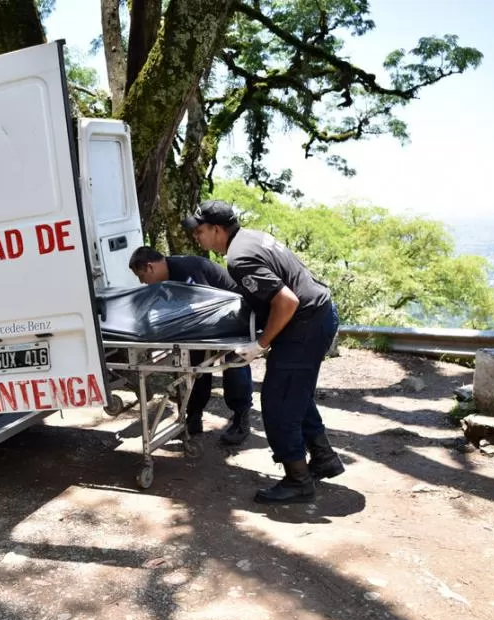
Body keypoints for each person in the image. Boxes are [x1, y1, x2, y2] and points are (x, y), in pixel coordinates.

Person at [181, 200, 345, 504]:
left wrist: (260, 344)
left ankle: (298, 480)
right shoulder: (252, 237)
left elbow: (287, 301)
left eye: (200, 231)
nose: (197, 238)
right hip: (317, 316)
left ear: (217, 230)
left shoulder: (239, 257)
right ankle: (323, 458)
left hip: (304, 324)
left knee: (277, 401)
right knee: (294, 395)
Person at [128, 245, 254, 445]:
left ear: (150, 267)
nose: (143, 282)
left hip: (235, 315)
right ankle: (193, 417)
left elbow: (205, 305)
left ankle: (241, 418)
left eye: (142, 276)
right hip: (209, 322)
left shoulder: (187, 270)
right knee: (194, 366)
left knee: (233, 363)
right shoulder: (167, 275)